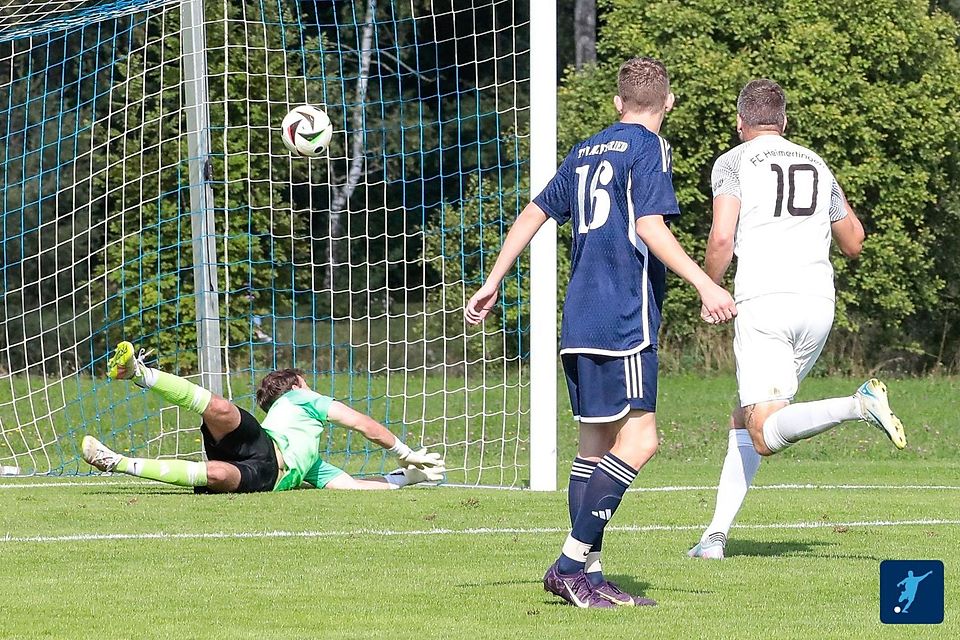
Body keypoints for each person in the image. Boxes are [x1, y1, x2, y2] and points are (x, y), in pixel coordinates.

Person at [465, 57, 736, 608]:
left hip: (579, 318)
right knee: (642, 440)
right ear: (669, 103)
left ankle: (589, 573)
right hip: (623, 316)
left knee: (594, 447)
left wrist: (493, 279)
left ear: (617, 103)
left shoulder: (584, 150)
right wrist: (706, 285)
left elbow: (533, 213)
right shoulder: (649, 149)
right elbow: (649, 226)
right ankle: (569, 564)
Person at [687, 79, 906, 561]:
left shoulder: (734, 161)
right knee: (747, 419)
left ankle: (859, 405)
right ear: (783, 122)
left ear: (739, 122)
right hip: (817, 306)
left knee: (764, 431)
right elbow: (853, 240)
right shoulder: (815, 162)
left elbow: (722, 237)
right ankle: (714, 538)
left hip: (765, 301)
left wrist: (710, 286)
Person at [82, 341, 445, 492]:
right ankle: (140, 374)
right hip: (264, 446)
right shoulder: (303, 397)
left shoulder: (311, 462)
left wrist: (406, 478)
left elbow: (351, 486)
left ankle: (115, 462)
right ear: (298, 384)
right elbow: (362, 424)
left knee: (217, 474)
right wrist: (403, 451)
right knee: (222, 408)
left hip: (268, 475)